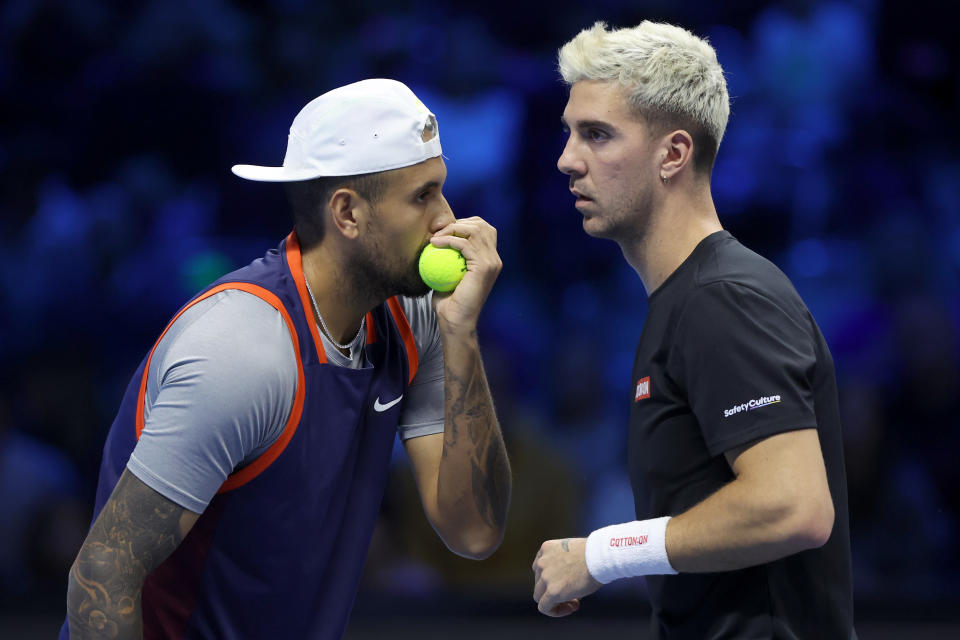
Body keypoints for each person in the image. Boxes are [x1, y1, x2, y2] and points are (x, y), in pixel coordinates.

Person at [64, 78, 511, 639]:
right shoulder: (240, 351)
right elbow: (102, 576)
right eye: (422, 196)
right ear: (347, 213)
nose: (447, 219)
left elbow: (473, 531)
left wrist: (463, 334)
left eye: (441, 190)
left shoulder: (416, 316)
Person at [532, 21, 855, 638]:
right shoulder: (689, 298)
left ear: (673, 154)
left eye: (597, 135)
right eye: (570, 133)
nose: (567, 159)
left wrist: (602, 555)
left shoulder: (722, 297)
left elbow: (794, 505)